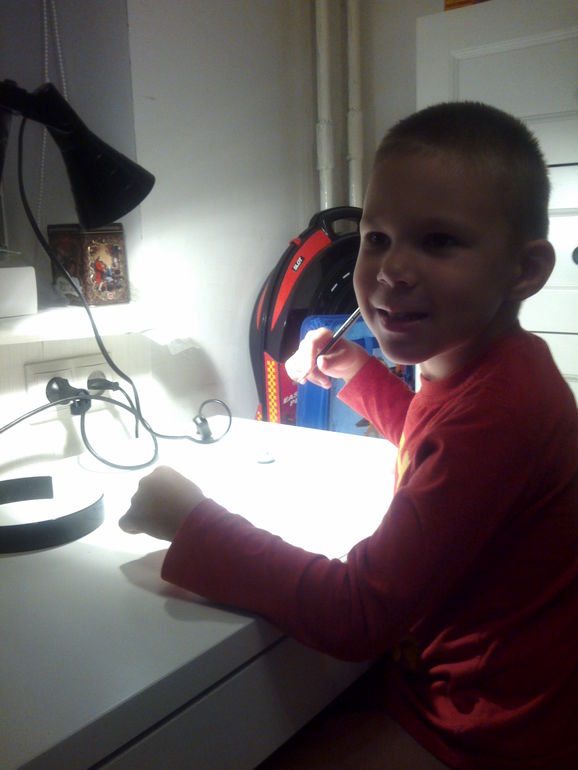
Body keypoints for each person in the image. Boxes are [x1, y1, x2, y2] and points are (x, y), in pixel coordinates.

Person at [119, 102, 577, 769]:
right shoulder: (496, 367)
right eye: (377, 238)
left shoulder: (499, 411)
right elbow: (433, 435)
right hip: (469, 688)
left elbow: (357, 613)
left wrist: (191, 523)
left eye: (438, 241)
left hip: (485, 732)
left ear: (525, 270)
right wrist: (359, 373)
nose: (392, 268)